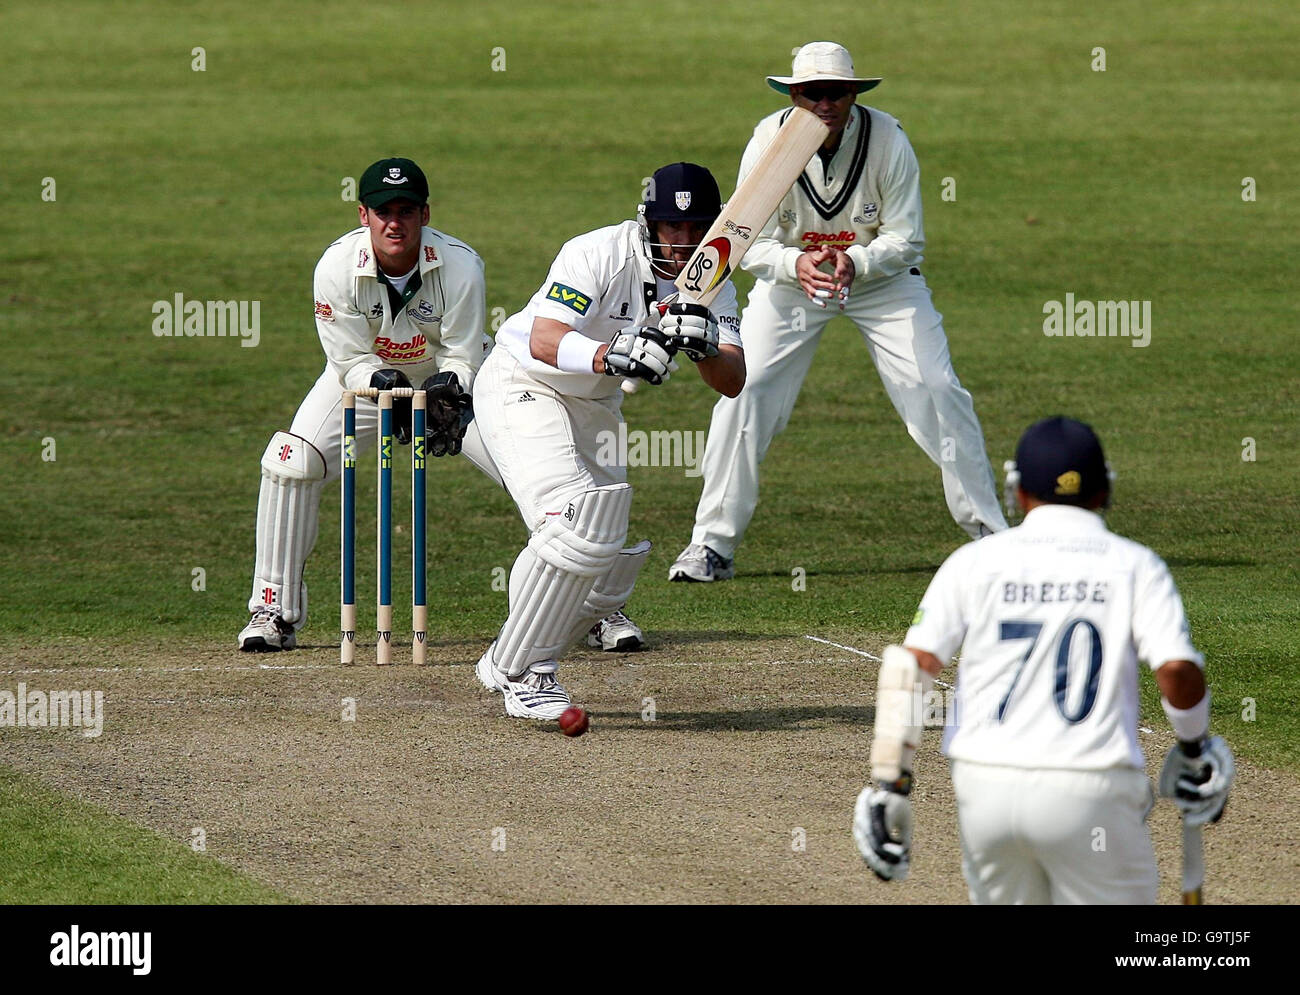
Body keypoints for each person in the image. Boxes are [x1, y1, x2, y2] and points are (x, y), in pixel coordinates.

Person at [853, 416, 1235, 904]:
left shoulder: (974, 562)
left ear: (1017, 492)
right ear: (1104, 491)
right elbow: (1176, 670)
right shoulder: (1135, 564)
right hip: (1090, 787)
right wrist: (1195, 747)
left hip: (984, 784)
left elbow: (913, 668)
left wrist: (889, 784)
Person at [669, 41, 1007, 584]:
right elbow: (739, 239)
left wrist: (856, 260)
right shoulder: (767, 141)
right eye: (812, 93)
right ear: (794, 94)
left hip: (882, 283)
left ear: (854, 94)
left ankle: (991, 537)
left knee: (937, 387)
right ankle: (710, 545)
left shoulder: (889, 139)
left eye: (837, 92)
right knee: (744, 391)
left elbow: (908, 238)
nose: (825, 103)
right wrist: (792, 264)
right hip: (791, 284)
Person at [468, 162, 746, 719]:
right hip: (524, 384)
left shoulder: (714, 282)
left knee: (608, 549)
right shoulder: (597, 252)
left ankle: (505, 658)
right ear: (649, 222)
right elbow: (546, 340)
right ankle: (528, 674)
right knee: (573, 522)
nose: (685, 242)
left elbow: (733, 382)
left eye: (696, 229)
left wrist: (707, 347)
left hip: (595, 404)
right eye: (672, 228)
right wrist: (607, 354)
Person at [237, 157, 485, 651]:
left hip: (450, 382)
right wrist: (381, 383)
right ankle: (272, 609)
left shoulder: (461, 265)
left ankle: (594, 608)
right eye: (383, 211)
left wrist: (446, 393)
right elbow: (348, 356)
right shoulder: (334, 267)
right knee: (290, 461)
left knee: (530, 463)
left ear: (425, 214)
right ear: (363, 215)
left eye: (406, 211)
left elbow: (463, 351)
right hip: (363, 380)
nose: (395, 222)